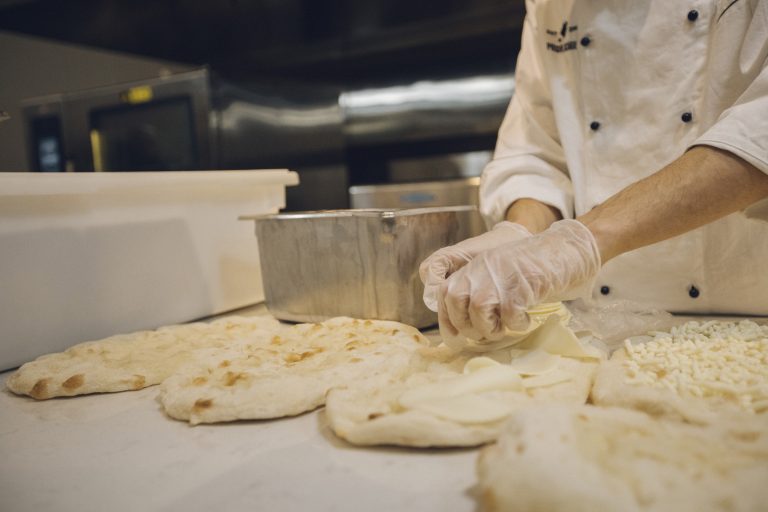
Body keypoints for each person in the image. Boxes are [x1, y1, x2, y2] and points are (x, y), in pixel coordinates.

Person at [420, 0, 768, 344]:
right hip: (608, 326)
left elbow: (757, 133)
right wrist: (519, 235)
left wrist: (578, 243)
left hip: (750, 319)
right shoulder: (549, 7)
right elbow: (537, 153)